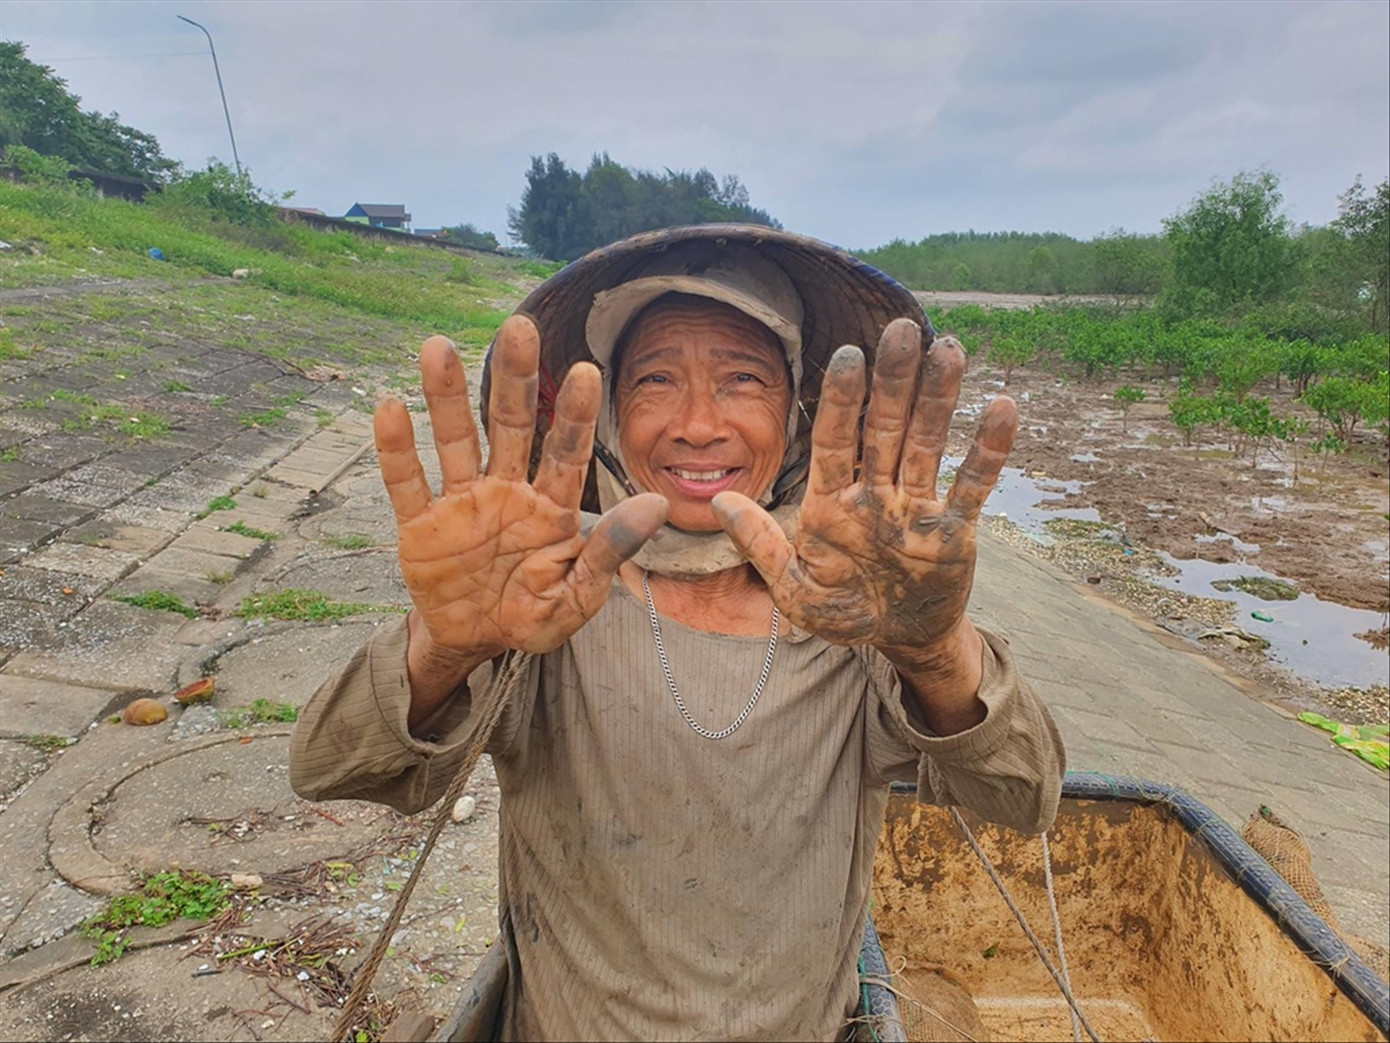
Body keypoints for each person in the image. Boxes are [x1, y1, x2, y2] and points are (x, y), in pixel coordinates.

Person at [290, 225, 1066, 1042]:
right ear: (612, 418)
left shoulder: (853, 610)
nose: (699, 424)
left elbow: (1026, 795)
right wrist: (448, 646)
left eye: (743, 379)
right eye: (657, 379)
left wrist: (931, 649)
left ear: (798, 414)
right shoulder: (548, 603)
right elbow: (329, 766)